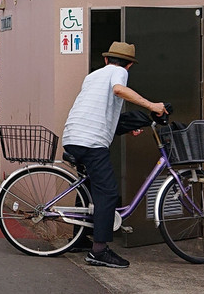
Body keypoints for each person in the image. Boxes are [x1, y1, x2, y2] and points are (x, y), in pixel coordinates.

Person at [62, 41, 167, 269]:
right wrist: (152, 106)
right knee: (108, 193)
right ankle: (99, 251)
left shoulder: (92, 76)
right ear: (129, 65)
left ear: (107, 59)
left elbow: (101, 112)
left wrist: (128, 126)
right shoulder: (118, 72)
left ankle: (78, 238)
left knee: (88, 187)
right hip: (91, 142)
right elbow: (119, 90)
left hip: (73, 136)